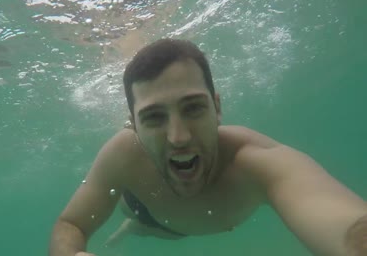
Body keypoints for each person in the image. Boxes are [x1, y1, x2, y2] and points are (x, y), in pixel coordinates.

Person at [49, 38, 367, 256]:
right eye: (153, 117)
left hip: (176, 224)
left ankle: (140, 227)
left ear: (217, 108)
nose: (178, 136)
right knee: (146, 222)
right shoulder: (122, 156)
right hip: (144, 206)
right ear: (132, 124)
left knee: (170, 231)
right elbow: (71, 224)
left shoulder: (255, 161)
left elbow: (348, 228)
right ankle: (138, 224)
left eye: (193, 108)